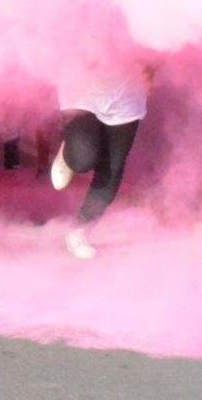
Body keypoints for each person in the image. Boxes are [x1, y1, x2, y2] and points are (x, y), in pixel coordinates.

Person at [51, 55, 153, 259]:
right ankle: (70, 153)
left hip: (127, 90)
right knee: (83, 158)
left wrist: (152, 66)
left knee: (112, 169)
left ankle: (80, 229)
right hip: (81, 88)